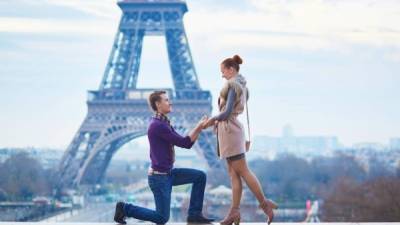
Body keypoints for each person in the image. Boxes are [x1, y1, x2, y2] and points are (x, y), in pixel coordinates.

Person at [114, 90, 214, 224]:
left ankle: (194, 215)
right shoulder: (158, 126)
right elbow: (185, 143)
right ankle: (125, 208)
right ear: (158, 104)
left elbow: (188, 143)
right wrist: (199, 126)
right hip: (159, 178)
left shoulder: (164, 123)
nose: (170, 102)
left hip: (168, 174)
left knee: (200, 176)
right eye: (166, 100)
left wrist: (199, 127)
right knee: (162, 218)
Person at [203, 55, 278, 225]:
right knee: (233, 174)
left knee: (243, 170)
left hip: (230, 131)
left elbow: (227, 112)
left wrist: (211, 120)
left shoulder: (232, 86)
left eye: (223, 71)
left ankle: (265, 204)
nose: (222, 75)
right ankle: (234, 213)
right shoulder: (241, 86)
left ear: (231, 69)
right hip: (229, 131)